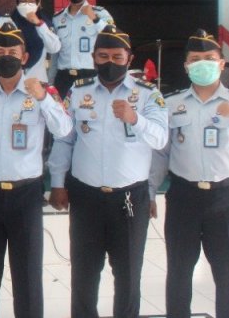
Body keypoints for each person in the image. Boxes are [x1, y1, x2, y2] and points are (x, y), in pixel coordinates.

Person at [150, 30, 229, 318]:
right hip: (183, 197)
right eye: (195, 59)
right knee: (179, 271)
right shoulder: (170, 103)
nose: (202, 64)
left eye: (209, 58)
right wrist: (149, 191)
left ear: (222, 64)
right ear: (186, 66)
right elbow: (160, 152)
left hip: (226, 198)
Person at [47, 25, 168, 318]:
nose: (110, 62)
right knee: (84, 275)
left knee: (128, 276)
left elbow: (161, 139)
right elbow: (64, 139)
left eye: (117, 57)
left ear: (129, 58)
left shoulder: (148, 95)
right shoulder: (78, 91)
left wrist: (135, 118)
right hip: (85, 197)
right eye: (103, 56)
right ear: (93, 57)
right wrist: (58, 182)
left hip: (129, 199)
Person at [0, 21, 72, 318]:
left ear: (25, 57)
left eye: (13, 52)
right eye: (0, 52)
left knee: (28, 277)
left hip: (26, 195)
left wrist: (43, 99)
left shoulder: (42, 92)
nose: (6, 56)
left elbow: (64, 130)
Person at [51, 0, 113, 97]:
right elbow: (55, 55)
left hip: (89, 75)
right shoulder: (57, 18)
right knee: (62, 110)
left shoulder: (100, 13)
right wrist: (51, 82)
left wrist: (94, 18)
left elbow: (113, 37)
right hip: (64, 77)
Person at [8, 0, 61, 81]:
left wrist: (39, 24)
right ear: (17, 3)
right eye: (23, 1)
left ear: (37, 4)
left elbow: (54, 48)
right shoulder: (9, 22)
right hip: (13, 81)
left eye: (31, 1)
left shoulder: (44, 23)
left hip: (37, 81)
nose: (27, 5)